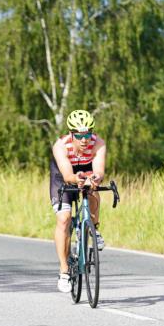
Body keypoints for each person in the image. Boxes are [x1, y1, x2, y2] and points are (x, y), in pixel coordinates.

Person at [50, 109, 107, 293]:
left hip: (86, 171)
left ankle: (93, 228)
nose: (85, 140)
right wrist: (76, 179)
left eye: (88, 134)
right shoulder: (60, 146)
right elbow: (67, 175)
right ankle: (64, 270)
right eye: (80, 135)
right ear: (71, 134)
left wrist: (95, 178)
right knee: (64, 219)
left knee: (93, 189)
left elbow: (99, 169)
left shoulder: (98, 143)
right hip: (62, 177)